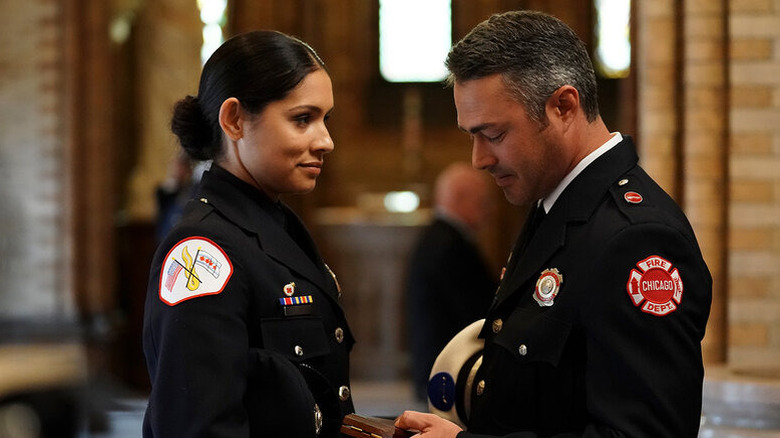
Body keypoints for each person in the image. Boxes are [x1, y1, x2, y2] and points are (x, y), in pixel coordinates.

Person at [396, 10, 712, 438]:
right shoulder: (558, 207)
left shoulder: (636, 239)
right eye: (471, 135)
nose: (479, 159)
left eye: (493, 134)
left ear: (564, 106)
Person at [142, 30, 354, 438]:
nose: (325, 140)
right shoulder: (201, 252)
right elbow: (200, 427)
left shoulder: (276, 224)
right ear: (235, 120)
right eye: (302, 119)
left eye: (325, 119)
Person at [405, 162, 497, 401]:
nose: (489, 210)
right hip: (448, 373)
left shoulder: (440, 237)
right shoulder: (449, 245)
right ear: (460, 198)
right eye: (482, 201)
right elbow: (476, 311)